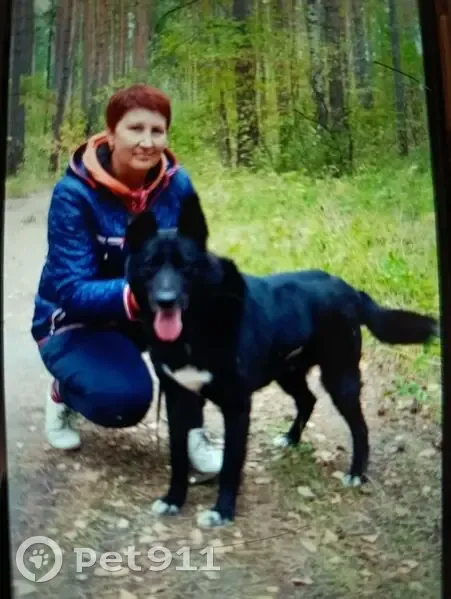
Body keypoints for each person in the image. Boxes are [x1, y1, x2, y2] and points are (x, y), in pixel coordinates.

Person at [30, 83, 223, 477]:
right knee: (124, 401)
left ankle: (191, 431)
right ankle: (64, 391)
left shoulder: (178, 185)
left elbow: (190, 255)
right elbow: (72, 290)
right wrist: (139, 296)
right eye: (135, 129)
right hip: (75, 321)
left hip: (146, 310)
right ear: (111, 132)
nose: (147, 142)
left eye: (157, 131)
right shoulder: (73, 195)